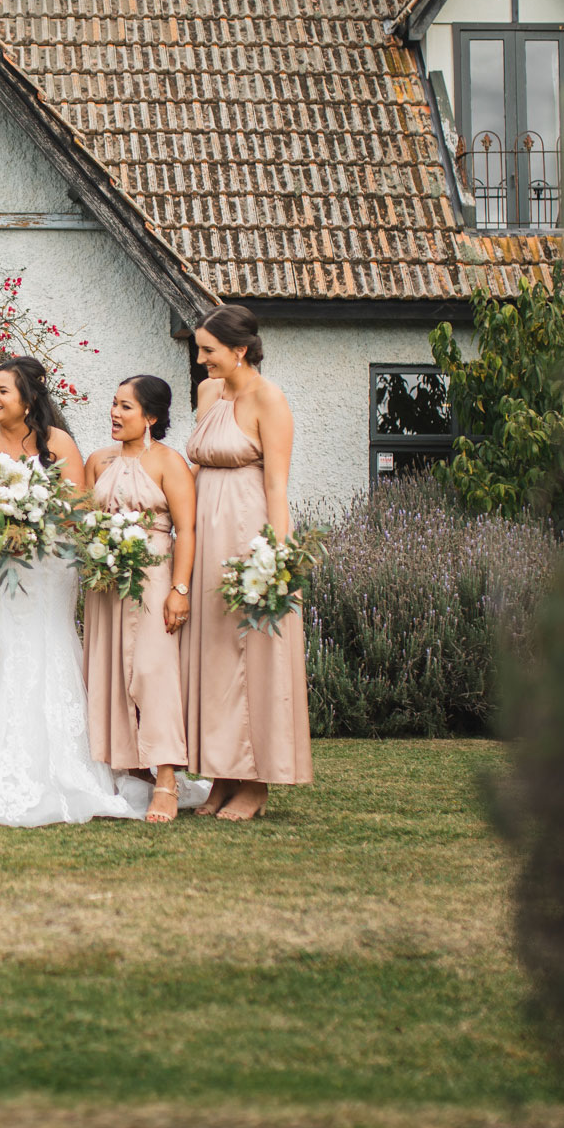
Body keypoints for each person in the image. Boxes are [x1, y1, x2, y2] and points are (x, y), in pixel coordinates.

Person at [0, 356, 145, 826]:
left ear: (28, 399)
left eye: (2, 390)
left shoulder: (58, 442)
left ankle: (64, 762)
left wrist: (32, 515)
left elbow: (78, 508)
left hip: (46, 568)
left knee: (48, 646)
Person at [182, 306, 312, 820]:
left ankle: (256, 780)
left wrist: (276, 560)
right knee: (214, 653)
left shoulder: (269, 399)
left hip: (249, 532)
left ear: (239, 349)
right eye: (199, 349)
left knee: (255, 654)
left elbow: (277, 485)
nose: (201, 359)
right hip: (207, 538)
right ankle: (220, 773)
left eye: (209, 350)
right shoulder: (207, 394)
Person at [82, 376, 199, 823]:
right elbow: (86, 519)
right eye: (113, 404)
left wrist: (179, 589)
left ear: (151, 416)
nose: (115, 413)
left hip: (152, 578)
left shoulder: (171, 463)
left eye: (125, 407)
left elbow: (186, 531)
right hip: (106, 582)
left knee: (153, 671)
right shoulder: (97, 461)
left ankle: (166, 778)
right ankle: (130, 771)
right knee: (109, 671)